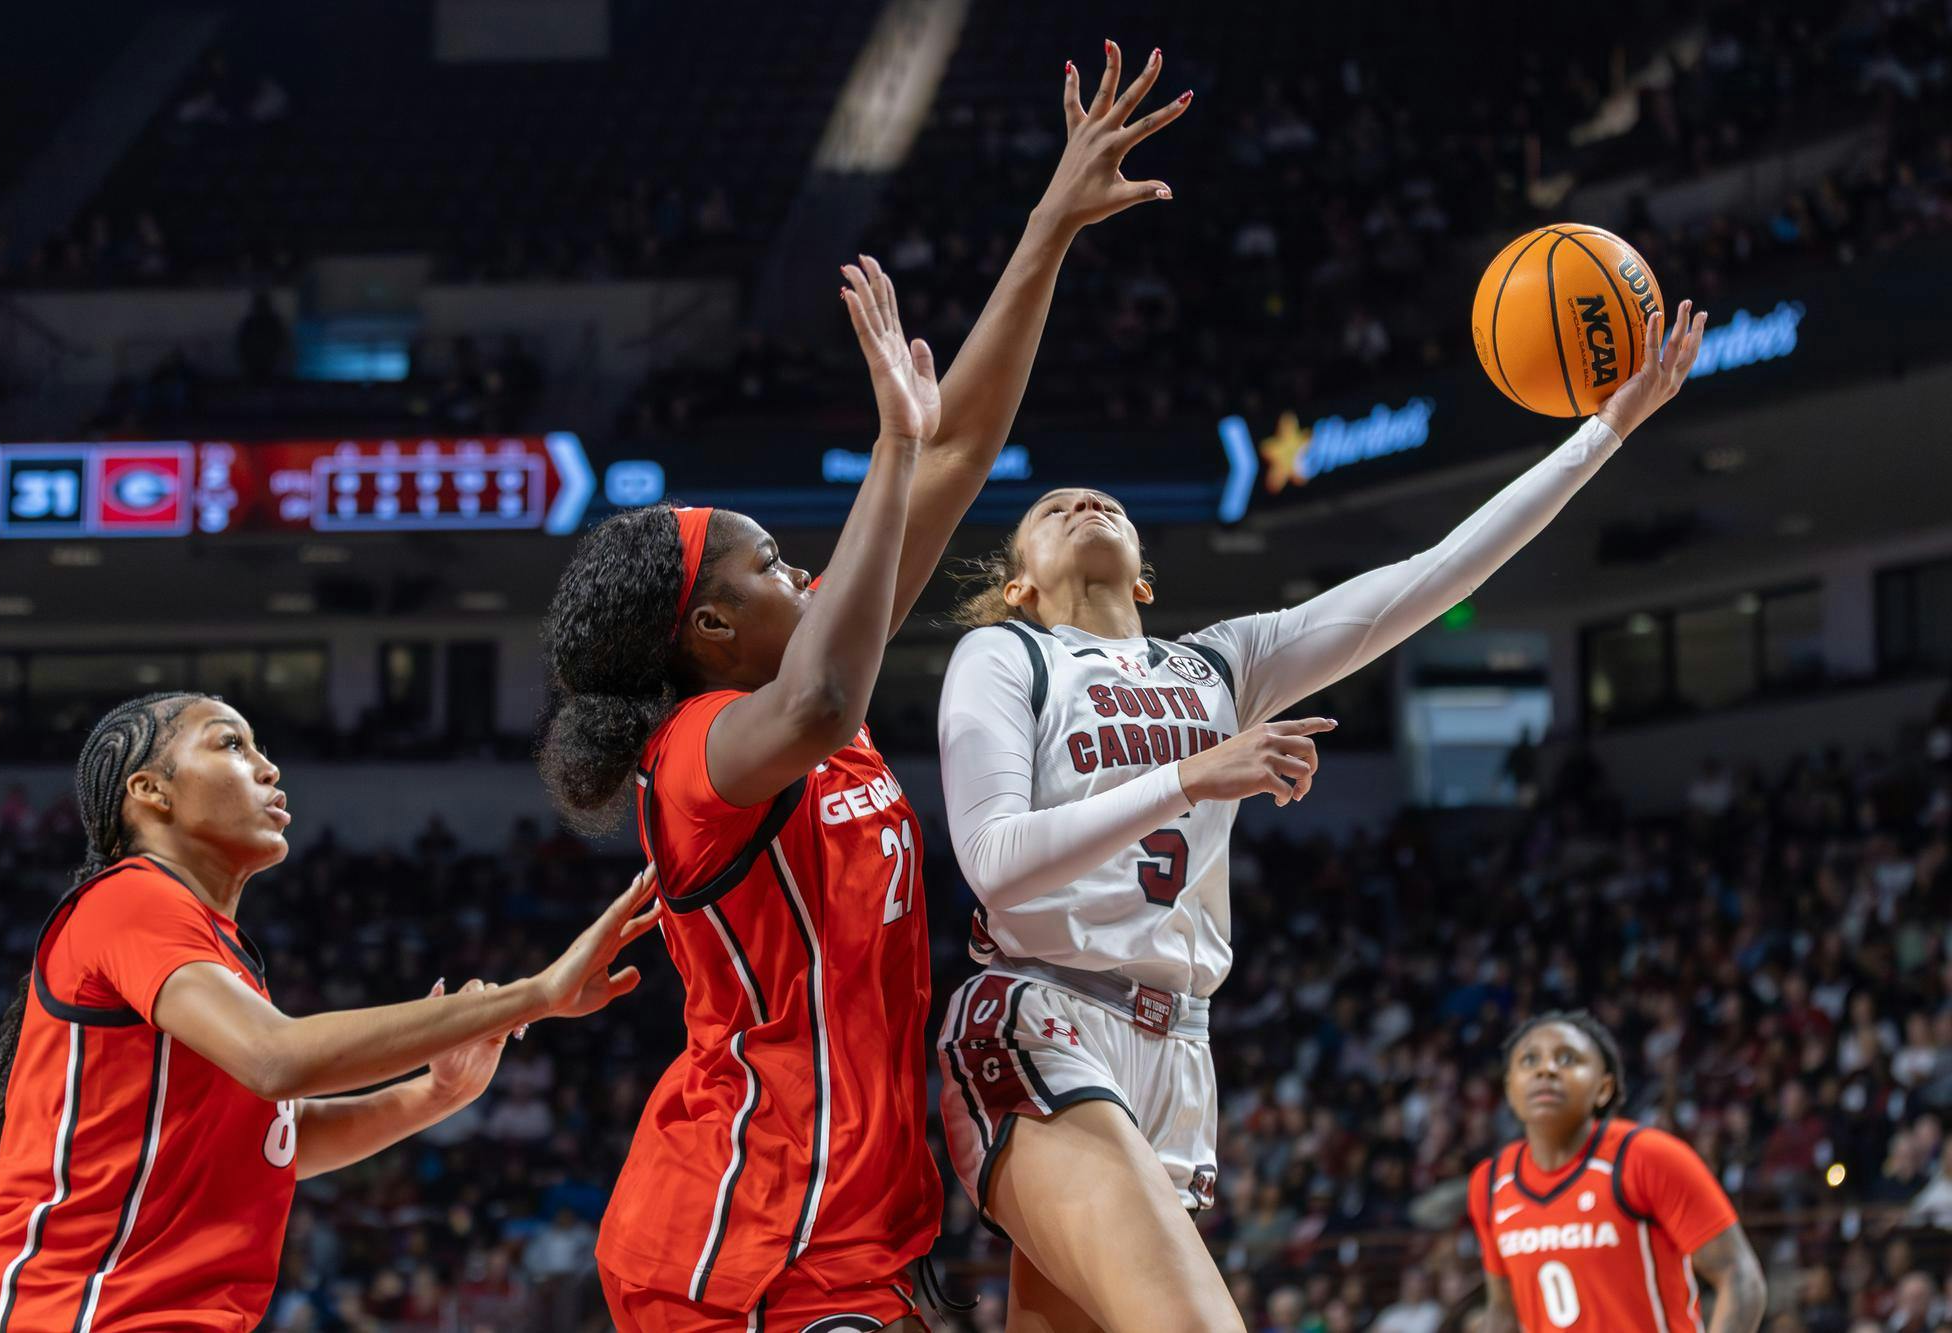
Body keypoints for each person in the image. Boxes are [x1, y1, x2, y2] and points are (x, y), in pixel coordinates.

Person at [536, 45, 1191, 1333]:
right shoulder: (700, 754)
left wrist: (1048, 228)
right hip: (742, 1241)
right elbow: (830, 694)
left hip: (851, 1232)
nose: (810, 571)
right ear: (713, 625)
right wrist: (888, 446)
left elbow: (955, 447)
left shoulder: (790, 693)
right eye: (776, 563)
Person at [934, 303, 1710, 1329]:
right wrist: (1191, 776)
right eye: (1051, 506)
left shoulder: (1219, 662)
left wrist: (1597, 435)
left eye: (1101, 498)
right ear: (1020, 583)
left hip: (1176, 1045)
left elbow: (1428, 578)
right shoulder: (1006, 656)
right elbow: (991, 862)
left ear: (1148, 576)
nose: (1081, 497)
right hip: (1040, 1012)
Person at [0, 692, 659, 1331]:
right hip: (75, 1312)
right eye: (231, 743)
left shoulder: (218, 952)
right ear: (149, 791)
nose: (268, 766)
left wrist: (435, 1092)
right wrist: (537, 991)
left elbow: (275, 1142)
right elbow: (278, 1060)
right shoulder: (130, 896)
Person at [1468, 1012, 1767, 1333]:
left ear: (1604, 1088)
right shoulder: (1490, 1182)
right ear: (1511, 1088)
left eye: (1567, 1058)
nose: (1546, 1069)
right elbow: (1502, 1310)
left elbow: (1740, 1276)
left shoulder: (1649, 1157)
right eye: (1529, 1060)